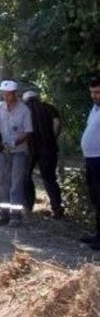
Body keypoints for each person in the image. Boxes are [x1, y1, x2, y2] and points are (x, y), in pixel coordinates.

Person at [0, 80, 33, 227]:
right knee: (3, 181)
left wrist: (14, 142)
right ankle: (3, 214)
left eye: (8, 94)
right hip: (3, 150)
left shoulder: (24, 110)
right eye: (4, 94)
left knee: (16, 183)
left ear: (14, 94)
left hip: (19, 151)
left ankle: (15, 216)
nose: (5, 96)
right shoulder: (0, 107)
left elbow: (28, 132)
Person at [22, 90, 63, 218]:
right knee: (50, 179)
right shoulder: (50, 108)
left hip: (30, 148)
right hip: (48, 148)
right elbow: (57, 124)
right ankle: (57, 209)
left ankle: (28, 206)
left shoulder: (24, 109)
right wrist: (52, 138)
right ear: (38, 98)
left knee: (26, 177)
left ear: (25, 99)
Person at [79, 76, 100, 251]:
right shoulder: (95, 108)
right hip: (91, 159)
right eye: (92, 92)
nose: (94, 96)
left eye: (98, 92)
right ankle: (98, 234)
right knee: (96, 198)